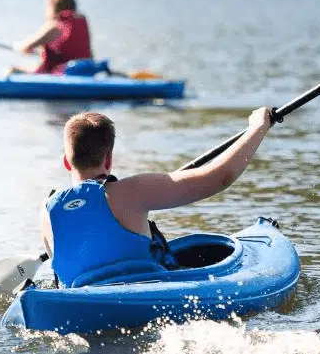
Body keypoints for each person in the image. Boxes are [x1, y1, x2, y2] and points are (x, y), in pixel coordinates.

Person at [40, 108, 274, 287]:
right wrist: (258, 127)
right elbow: (221, 177)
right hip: (145, 299)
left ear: (66, 162)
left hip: (80, 305)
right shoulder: (133, 191)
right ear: (109, 160)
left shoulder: (48, 211)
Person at [11, 0, 93, 75]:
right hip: (85, 71)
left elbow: (26, 46)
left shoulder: (56, 24)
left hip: (61, 75)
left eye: (47, 6)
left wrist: (18, 46)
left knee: (12, 70)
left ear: (53, 7)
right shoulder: (81, 21)